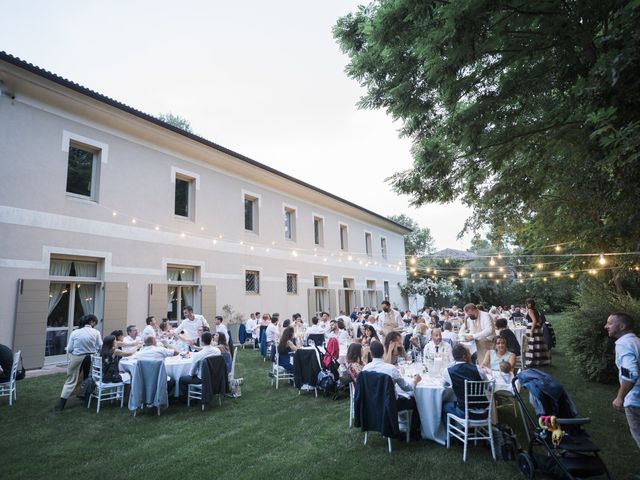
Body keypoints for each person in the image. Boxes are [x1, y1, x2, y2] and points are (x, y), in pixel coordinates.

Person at [362, 340, 421, 428]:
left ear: (371, 353)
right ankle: (413, 431)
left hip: (372, 403)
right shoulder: (391, 369)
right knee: (414, 400)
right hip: (390, 405)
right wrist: (415, 381)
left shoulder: (365, 369)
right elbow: (407, 388)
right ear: (383, 352)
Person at [605, 312, 640, 455]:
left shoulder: (623, 344)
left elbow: (630, 374)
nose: (606, 326)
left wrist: (620, 397)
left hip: (635, 400)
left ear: (622, 326)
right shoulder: (636, 341)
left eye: (610, 323)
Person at [53, 314, 103, 411]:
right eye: (94, 323)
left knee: (70, 380)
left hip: (77, 357)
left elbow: (70, 348)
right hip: (90, 357)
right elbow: (100, 345)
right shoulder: (96, 332)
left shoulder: (75, 332)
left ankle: (62, 403)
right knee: (90, 379)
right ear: (92, 321)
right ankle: (86, 399)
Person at [442, 344, 489, 418]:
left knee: (444, 406)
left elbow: (444, 385)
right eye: (469, 353)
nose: (470, 355)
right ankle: (468, 429)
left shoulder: (448, 372)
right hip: (483, 412)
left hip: (464, 412)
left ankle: (457, 429)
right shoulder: (477, 369)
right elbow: (487, 386)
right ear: (464, 357)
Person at [178, 332, 221, 396]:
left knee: (181, 379)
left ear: (202, 341)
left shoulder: (199, 355)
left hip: (202, 379)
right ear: (211, 340)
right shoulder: (217, 351)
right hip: (215, 377)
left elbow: (192, 371)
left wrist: (190, 374)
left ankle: (188, 398)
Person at [524, 298, 550, 367]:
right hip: (537, 328)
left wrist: (532, 330)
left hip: (533, 328)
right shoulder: (536, 310)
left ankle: (533, 361)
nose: (526, 304)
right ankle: (539, 361)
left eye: (527, 303)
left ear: (529, 304)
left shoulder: (530, 310)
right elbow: (540, 320)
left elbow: (534, 320)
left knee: (532, 344)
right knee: (538, 345)